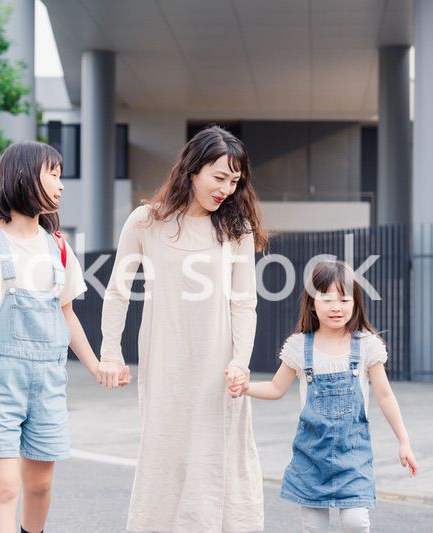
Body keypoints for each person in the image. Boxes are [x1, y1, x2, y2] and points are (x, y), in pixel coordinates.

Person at [0, 141, 130, 533]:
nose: (60, 185)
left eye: (60, 175)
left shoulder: (59, 248)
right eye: (53, 174)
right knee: (4, 487)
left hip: (48, 383)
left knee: (40, 486)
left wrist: (97, 366)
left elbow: (67, 317)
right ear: (22, 176)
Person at [98, 125, 268, 532]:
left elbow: (244, 303)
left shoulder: (236, 230)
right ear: (193, 169)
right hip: (165, 361)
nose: (227, 188)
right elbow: (118, 290)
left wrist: (240, 364)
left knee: (220, 457)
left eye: (234, 180)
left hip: (219, 367)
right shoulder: (146, 221)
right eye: (219, 177)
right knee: (166, 455)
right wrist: (110, 351)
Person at [230, 260, 418, 533]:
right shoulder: (299, 346)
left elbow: (385, 396)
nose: (336, 307)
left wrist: (404, 442)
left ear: (355, 303)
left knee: (355, 522)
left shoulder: (366, 345)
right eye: (327, 299)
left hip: (353, 456)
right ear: (312, 303)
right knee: (313, 526)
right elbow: (276, 388)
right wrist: (245, 387)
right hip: (311, 456)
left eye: (344, 299)